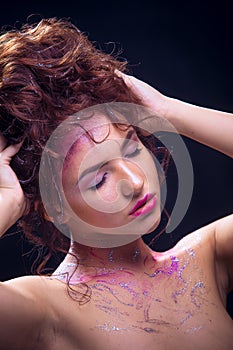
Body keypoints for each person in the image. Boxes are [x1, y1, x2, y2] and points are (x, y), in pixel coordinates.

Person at [0, 17, 232, 350]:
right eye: (100, 178)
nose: (136, 182)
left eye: (132, 146)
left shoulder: (208, 261)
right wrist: (7, 200)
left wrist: (172, 112)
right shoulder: (44, 311)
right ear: (52, 208)